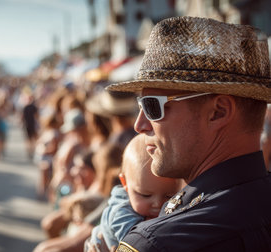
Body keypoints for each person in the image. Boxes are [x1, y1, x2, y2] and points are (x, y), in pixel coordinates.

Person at [106, 16, 271, 251]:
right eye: (139, 106)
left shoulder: (156, 243)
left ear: (218, 112)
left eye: (152, 106)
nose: (140, 125)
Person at [85, 134, 182, 252]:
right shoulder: (122, 212)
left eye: (169, 196)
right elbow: (138, 243)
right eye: (145, 195)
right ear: (124, 183)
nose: (158, 203)